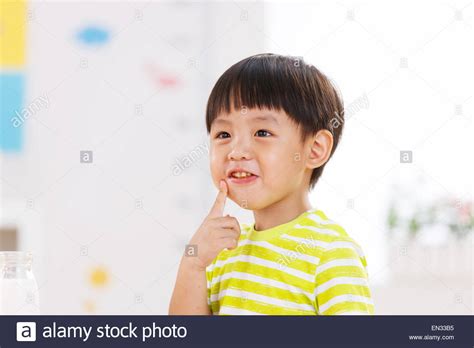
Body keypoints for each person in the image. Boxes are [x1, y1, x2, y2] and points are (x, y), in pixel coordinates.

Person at [169, 53, 374, 315]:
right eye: (223, 134)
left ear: (314, 149)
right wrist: (193, 265)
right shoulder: (222, 252)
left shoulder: (332, 253)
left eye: (262, 133)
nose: (237, 151)